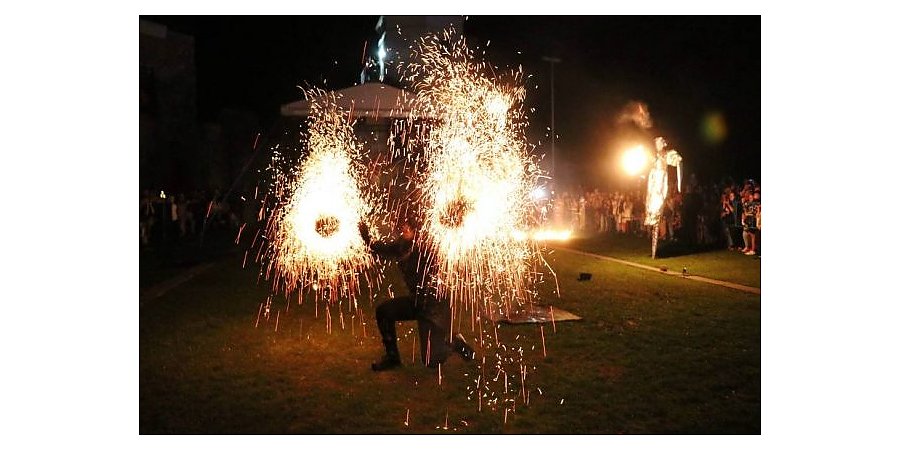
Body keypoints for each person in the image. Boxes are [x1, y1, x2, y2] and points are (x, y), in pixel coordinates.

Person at [359, 217, 475, 371]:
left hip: (434, 306)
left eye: (407, 227)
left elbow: (444, 246)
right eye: (401, 227)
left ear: (415, 229)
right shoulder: (400, 246)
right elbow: (379, 248)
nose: (403, 230)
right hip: (416, 301)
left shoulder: (427, 245)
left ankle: (455, 342)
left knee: (431, 361)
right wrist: (365, 235)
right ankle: (392, 357)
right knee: (384, 311)